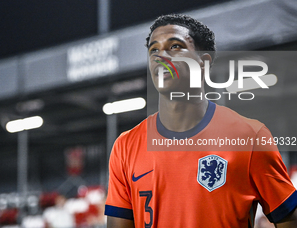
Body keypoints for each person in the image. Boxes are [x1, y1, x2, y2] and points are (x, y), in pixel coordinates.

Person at [104, 14, 297, 227]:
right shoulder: (125, 146)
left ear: (203, 62)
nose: (161, 56)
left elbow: (289, 219)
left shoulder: (250, 137)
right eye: (154, 50)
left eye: (175, 46)